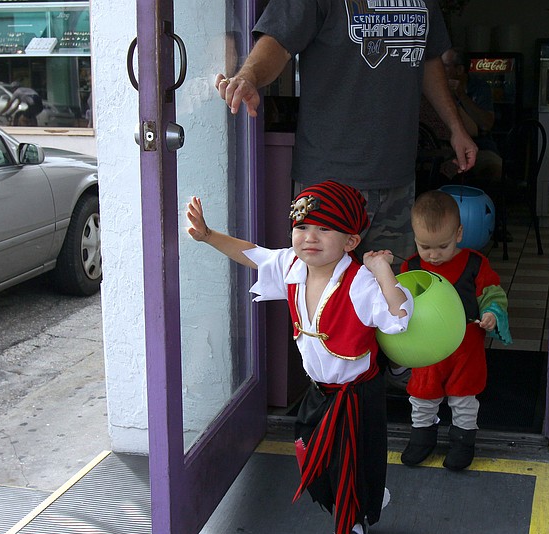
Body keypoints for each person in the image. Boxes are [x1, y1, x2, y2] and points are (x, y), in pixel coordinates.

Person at [186, 180, 413, 534]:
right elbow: (252, 255)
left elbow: (398, 319)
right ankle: (366, 495)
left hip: (356, 395)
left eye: (324, 229)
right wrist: (208, 236)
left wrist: (382, 271)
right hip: (321, 391)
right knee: (313, 453)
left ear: (350, 241)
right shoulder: (293, 267)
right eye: (302, 227)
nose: (310, 238)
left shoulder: (359, 282)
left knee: (345, 465)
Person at [214, 0, 478, 263]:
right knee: (325, 296)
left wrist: (456, 127)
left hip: (397, 179)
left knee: (392, 296)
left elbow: (428, 60)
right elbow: (279, 42)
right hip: (330, 181)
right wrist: (249, 76)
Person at [398, 190, 511, 470]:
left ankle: (463, 442)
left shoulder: (475, 265)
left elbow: (492, 294)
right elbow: (398, 301)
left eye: (442, 246)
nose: (433, 255)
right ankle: (422, 438)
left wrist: (491, 313)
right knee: (422, 394)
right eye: (425, 247)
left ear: (459, 233)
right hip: (427, 350)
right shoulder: (411, 267)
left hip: (466, 348)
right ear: (414, 237)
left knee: (463, 396)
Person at [440, 47, 503, 182]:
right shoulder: (438, 89)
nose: (439, 70)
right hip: (445, 146)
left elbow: (486, 124)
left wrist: (461, 95)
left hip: (481, 144)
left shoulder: (479, 87)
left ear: (460, 70)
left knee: (493, 170)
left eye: (444, 66)